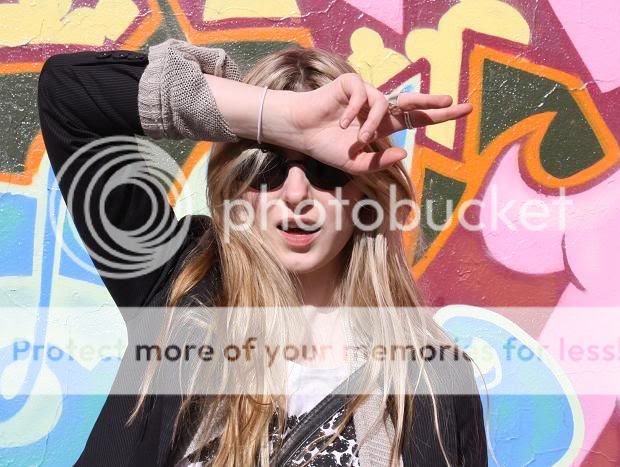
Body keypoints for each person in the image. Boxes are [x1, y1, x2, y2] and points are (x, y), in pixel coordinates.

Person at [37, 38, 486, 467]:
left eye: (326, 169)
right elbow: (70, 93)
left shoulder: (433, 381)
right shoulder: (177, 285)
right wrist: (283, 117)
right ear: (234, 182)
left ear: (366, 193)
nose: (296, 193)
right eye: (267, 166)